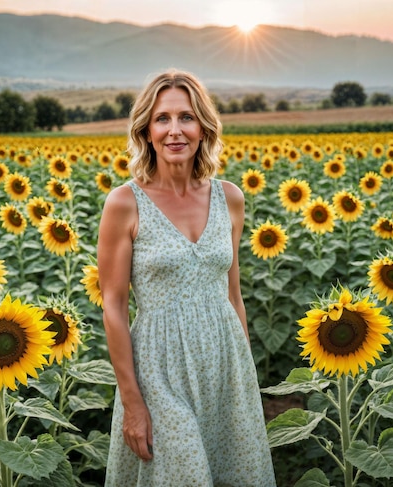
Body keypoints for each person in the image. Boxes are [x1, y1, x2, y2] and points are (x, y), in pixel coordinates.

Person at [97, 68, 276, 486]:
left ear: (203, 128)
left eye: (186, 117)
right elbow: (113, 306)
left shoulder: (230, 197)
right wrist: (132, 401)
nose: (174, 130)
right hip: (160, 370)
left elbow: (233, 294)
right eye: (162, 118)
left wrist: (245, 377)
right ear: (146, 130)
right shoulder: (125, 203)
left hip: (225, 365)